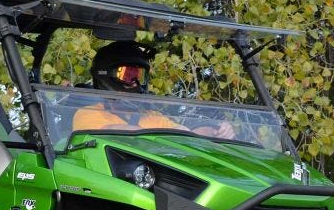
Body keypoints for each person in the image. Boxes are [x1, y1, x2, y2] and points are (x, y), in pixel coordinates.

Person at [72, 41, 235, 139]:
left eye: (140, 76)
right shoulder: (88, 113)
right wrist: (166, 137)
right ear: (106, 76)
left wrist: (214, 131)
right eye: (128, 75)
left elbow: (183, 133)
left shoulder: (151, 116)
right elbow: (112, 132)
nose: (135, 83)